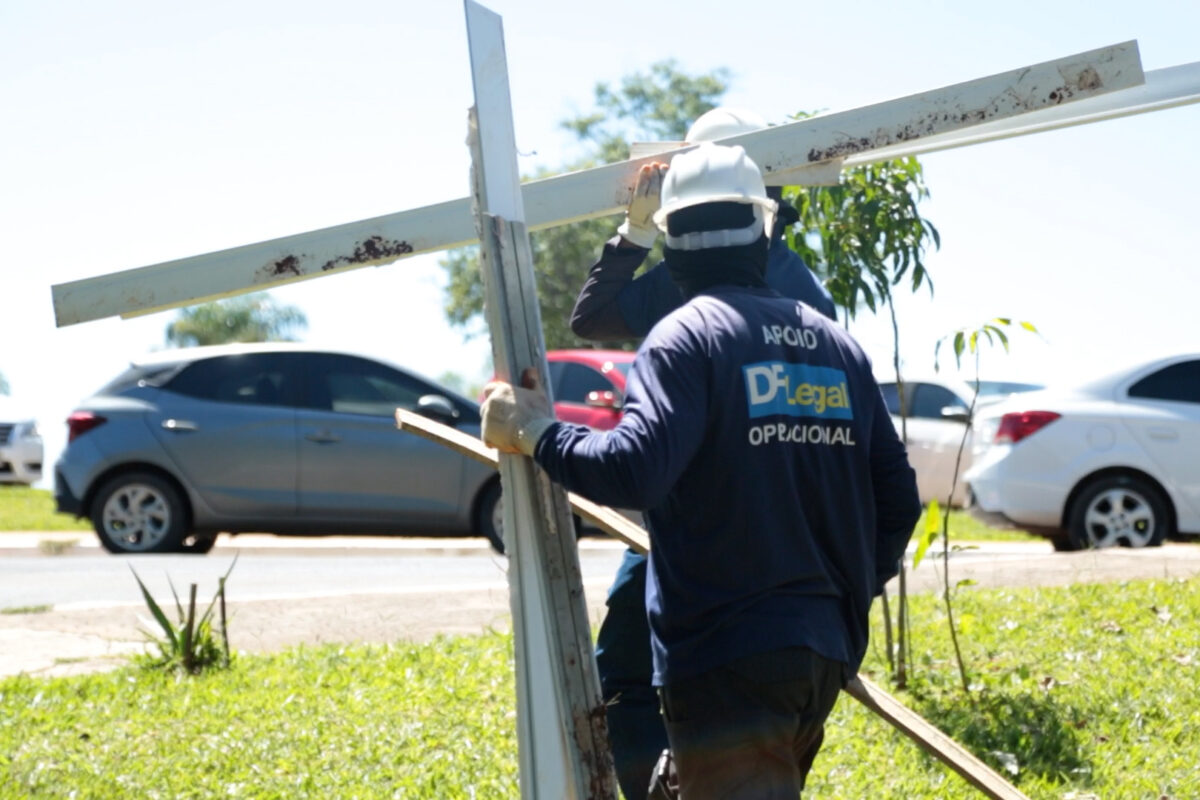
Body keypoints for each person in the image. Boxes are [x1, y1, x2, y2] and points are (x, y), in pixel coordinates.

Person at [481, 142, 921, 798]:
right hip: (821, 650)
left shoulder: (685, 337)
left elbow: (633, 471)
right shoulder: (836, 345)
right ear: (763, 230)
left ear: (673, 245)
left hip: (726, 654)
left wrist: (534, 431)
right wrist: (839, 599)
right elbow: (899, 502)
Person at [571, 107, 841, 798]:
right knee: (635, 668)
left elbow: (596, 319)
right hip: (738, 542)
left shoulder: (745, 283)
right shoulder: (801, 297)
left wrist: (637, 232)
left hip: (717, 532)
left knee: (660, 673)